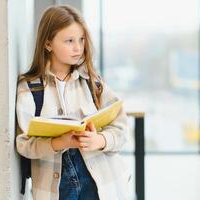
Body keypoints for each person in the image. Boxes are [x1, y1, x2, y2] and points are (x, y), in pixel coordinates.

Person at [16, 5, 130, 200]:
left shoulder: (93, 82)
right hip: (56, 190)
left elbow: (122, 129)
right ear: (48, 43)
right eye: (69, 41)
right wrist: (59, 142)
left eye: (81, 40)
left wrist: (100, 140)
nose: (78, 48)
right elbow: (24, 144)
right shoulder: (30, 87)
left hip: (100, 184)